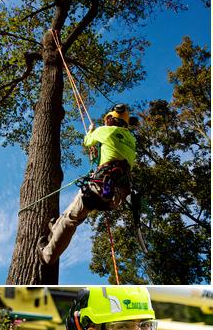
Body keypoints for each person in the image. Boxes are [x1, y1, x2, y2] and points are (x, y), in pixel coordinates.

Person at [39, 104, 138, 265]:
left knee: (71, 219)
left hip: (101, 186)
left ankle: (47, 255)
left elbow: (86, 141)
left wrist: (91, 130)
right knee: (74, 210)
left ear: (110, 119)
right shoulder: (132, 139)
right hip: (118, 194)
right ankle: (55, 228)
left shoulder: (105, 130)